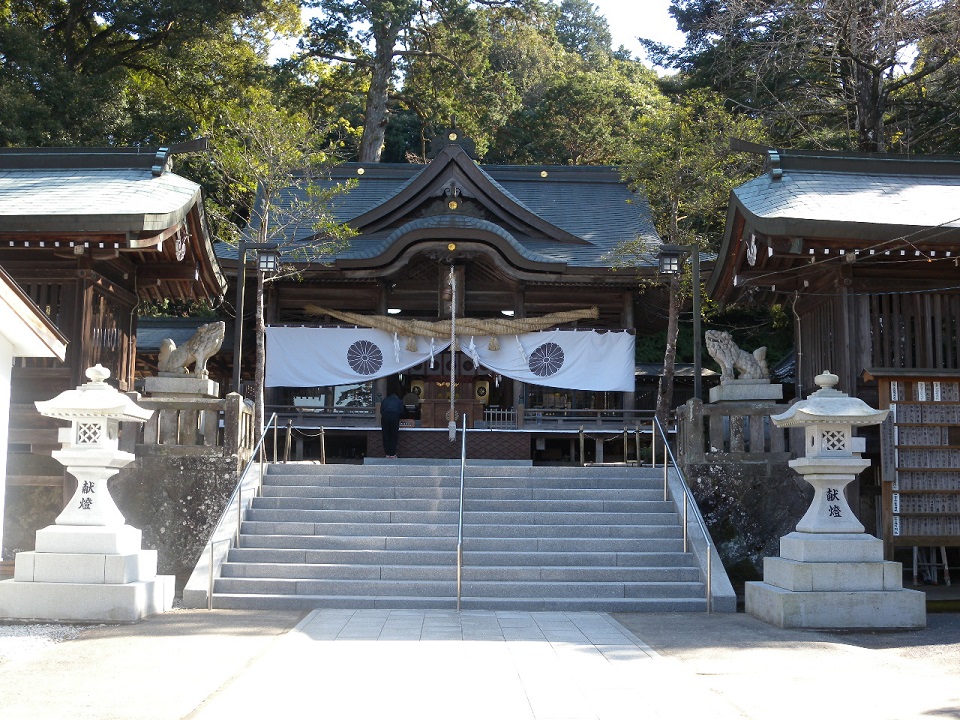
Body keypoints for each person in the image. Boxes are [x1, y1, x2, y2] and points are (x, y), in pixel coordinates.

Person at [380, 388, 405, 458]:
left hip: (385, 416)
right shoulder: (399, 401)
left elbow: (381, 411)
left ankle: (387, 454)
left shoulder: (385, 400)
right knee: (394, 435)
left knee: (386, 435)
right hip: (394, 416)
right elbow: (402, 411)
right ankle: (392, 454)